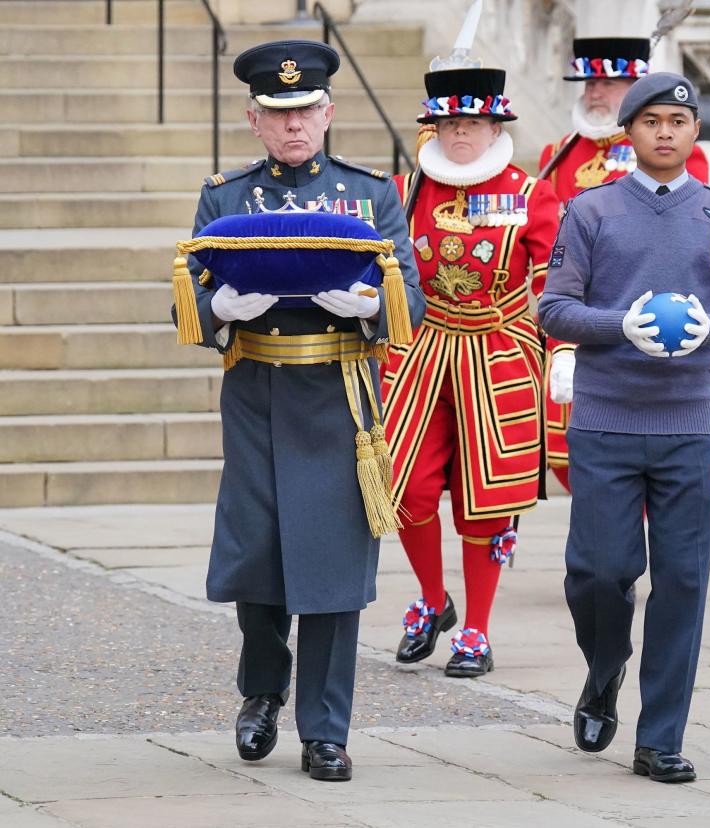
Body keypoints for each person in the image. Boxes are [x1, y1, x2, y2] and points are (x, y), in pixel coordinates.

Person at [177, 40, 424, 782]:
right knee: (257, 559)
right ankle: (260, 692)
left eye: (307, 111)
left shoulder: (372, 193)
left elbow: (408, 289)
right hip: (256, 392)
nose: (294, 125)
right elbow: (185, 292)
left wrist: (372, 303)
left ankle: (324, 729)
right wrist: (218, 304)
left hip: (339, 394)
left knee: (331, 568)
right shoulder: (225, 195)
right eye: (278, 114)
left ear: (329, 113)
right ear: (255, 120)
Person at [539, 72, 710, 783]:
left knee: (681, 580)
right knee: (599, 571)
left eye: (679, 119)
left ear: (694, 130)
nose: (666, 132)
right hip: (605, 419)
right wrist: (625, 327)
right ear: (629, 133)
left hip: (687, 423)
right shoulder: (591, 212)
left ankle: (660, 738)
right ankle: (605, 664)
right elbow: (553, 308)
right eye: (651, 122)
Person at [383, 66, 558, 676]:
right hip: (422, 352)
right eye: (450, 122)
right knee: (403, 485)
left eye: (474, 123)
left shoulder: (531, 193)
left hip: (499, 353)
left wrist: (561, 350)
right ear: (432, 127)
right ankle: (433, 601)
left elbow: (555, 286)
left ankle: (477, 631)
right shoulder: (404, 192)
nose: (461, 134)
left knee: (487, 502)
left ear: (494, 126)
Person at [539, 37, 710, 491]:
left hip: (650, 310)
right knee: (563, 449)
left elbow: (687, 229)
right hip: (576, 311)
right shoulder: (559, 151)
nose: (596, 92)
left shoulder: (668, 150)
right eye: (591, 81)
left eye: (611, 82)